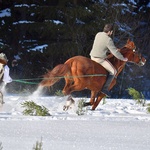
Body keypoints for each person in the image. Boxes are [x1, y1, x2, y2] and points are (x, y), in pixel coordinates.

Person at [90, 23, 128, 97]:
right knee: (113, 71)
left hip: (92, 56)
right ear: (110, 31)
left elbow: (100, 46)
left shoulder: (98, 34)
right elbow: (115, 52)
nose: (112, 33)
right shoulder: (108, 39)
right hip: (100, 59)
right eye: (112, 32)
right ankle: (105, 88)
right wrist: (123, 58)